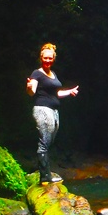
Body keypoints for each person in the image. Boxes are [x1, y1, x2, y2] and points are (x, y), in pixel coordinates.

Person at [26, 43, 79, 185]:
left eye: (50, 58)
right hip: (43, 110)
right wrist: (29, 87)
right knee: (44, 142)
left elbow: (56, 93)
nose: (47, 61)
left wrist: (70, 91)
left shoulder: (53, 74)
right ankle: (44, 178)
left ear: (53, 59)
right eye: (45, 58)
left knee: (49, 141)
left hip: (54, 111)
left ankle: (46, 175)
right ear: (41, 58)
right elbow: (32, 92)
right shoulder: (37, 73)